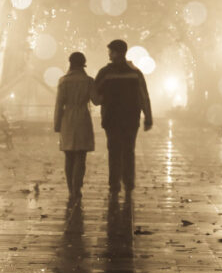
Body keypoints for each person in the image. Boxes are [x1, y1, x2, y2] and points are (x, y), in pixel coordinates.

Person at [91, 39, 152, 199]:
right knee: (128, 151)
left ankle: (114, 184)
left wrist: (103, 99)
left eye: (111, 52)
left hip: (112, 118)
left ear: (117, 53)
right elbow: (143, 95)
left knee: (114, 151)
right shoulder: (135, 73)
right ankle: (128, 183)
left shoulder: (106, 73)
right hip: (131, 119)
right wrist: (148, 116)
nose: (109, 55)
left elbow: (94, 93)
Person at [54, 51, 95, 204]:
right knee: (80, 156)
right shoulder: (88, 81)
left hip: (67, 120)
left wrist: (57, 124)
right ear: (83, 63)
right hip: (83, 118)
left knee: (69, 156)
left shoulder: (63, 81)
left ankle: (71, 189)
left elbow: (59, 105)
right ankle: (77, 188)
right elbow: (97, 100)